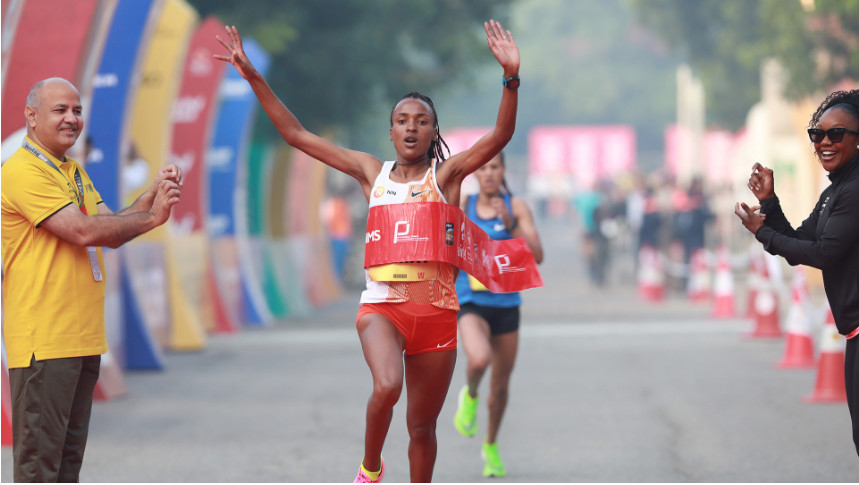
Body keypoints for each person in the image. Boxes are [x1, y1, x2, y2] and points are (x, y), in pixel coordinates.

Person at [215, 20, 519, 482]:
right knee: (387, 386)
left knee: (422, 427)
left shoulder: (447, 177)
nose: (411, 127)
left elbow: (499, 137)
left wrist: (510, 77)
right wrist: (254, 77)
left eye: (421, 121)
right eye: (402, 121)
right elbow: (296, 135)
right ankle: (370, 467)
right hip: (383, 305)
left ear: (433, 131)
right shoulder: (370, 173)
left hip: (437, 312)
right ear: (390, 131)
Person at [1, 77, 182, 482]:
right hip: (45, 342)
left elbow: (108, 227)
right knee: (39, 470)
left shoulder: (72, 170)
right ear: (31, 116)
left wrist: (152, 195)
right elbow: (82, 231)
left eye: (77, 111)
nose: (72, 119)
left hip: (81, 339)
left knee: (66, 468)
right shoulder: (23, 171)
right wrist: (151, 219)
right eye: (60, 110)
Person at [734, 89, 859, 458]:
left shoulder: (855, 191)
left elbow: (824, 254)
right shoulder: (836, 191)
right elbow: (799, 244)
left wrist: (764, 233)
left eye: (836, 134)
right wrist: (769, 204)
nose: (824, 142)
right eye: (818, 134)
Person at [451, 152, 542, 477]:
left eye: (494, 167)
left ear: (503, 170)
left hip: (506, 305)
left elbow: (538, 255)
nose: (489, 173)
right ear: (475, 173)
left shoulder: (516, 207)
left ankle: (490, 445)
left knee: (501, 387)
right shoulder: (464, 205)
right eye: (483, 168)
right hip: (471, 301)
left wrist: (511, 225)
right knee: (479, 359)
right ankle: (471, 394)